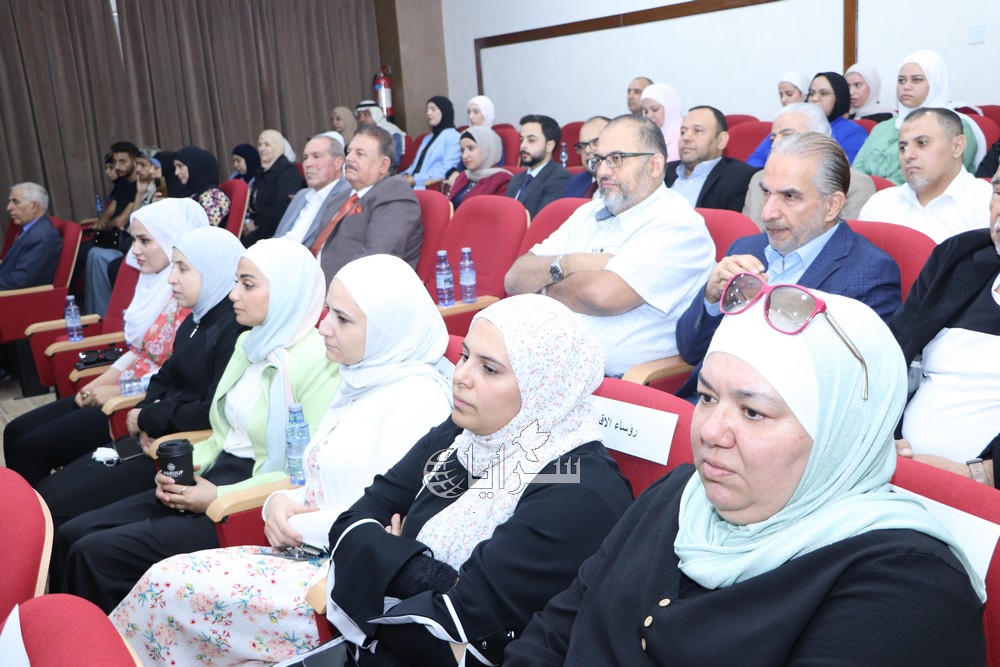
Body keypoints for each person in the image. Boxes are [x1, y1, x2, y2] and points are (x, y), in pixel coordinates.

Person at [504, 282, 986, 666]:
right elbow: (551, 634)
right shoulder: (680, 494)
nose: (710, 431)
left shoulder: (906, 586)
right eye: (707, 397)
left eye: (753, 412)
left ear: (838, 434)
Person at [111, 254, 454, 664]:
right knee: (163, 581)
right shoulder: (362, 378)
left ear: (386, 329)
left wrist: (290, 519)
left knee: (166, 588)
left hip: (339, 586)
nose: (323, 326)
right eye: (328, 311)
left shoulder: (416, 400)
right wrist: (276, 502)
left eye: (342, 319)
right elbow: (316, 476)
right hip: (307, 553)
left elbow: (384, 519)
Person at [324, 295, 633, 665]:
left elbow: (463, 620)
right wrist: (433, 576)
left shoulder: (577, 486)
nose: (461, 376)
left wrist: (390, 557)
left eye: (489, 369)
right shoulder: (463, 435)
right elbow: (350, 524)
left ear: (544, 385)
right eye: (464, 356)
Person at [51, 238, 341, 613]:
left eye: (248, 285)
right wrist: (178, 471)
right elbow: (223, 434)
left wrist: (217, 495)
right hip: (211, 474)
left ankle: (104, 639)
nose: (234, 294)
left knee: (95, 553)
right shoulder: (251, 343)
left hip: (250, 498)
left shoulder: (319, 361)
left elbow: (304, 472)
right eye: (236, 282)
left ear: (287, 292)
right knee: (73, 533)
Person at [36, 226, 247, 530]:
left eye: (182, 268)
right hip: (152, 437)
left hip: (179, 451)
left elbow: (209, 409)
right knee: (48, 491)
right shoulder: (195, 321)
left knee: (60, 512)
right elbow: (164, 377)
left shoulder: (234, 332)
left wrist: (148, 418)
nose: (171, 278)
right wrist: (144, 415)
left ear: (213, 270)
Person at [676, 132, 901, 399]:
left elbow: (856, 387)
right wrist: (711, 299)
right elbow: (690, 350)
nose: (767, 213)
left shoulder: (869, 273)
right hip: (705, 400)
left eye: (790, 196)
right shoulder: (746, 249)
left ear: (832, 206)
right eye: (766, 193)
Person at [4, 199, 209, 487]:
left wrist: (116, 390)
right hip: (121, 387)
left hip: (132, 403)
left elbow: (170, 376)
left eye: (144, 240)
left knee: (29, 449)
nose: (134, 250)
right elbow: (138, 351)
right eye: (133, 240)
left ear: (171, 240)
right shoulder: (152, 284)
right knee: (14, 431)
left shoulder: (188, 296)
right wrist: (98, 382)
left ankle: (33, 513)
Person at [505, 114, 715, 378]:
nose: (602, 171)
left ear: (654, 165)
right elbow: (514, 279)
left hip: (613, 383)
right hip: (542, 363)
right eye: (599, 160)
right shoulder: (588, 212)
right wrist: (570, 263)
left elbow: (601, 296)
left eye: (616, 159)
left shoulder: (678, 224)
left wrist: (541, 287)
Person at [891, 165, 1000, 479]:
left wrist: (978, 474)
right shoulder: (958, 255)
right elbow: (889, 353)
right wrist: (885, 437)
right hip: (897, 467)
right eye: (999, 192)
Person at [858, 107, 992, 244]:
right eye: (902, 147)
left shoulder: (988, 203)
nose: (908, 155)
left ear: (957, 146)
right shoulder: (880, 203)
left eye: (922, 143)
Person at [853, 49, 982, 185]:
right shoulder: (883, 127)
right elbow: (856, 171)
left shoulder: (955, 126)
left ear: (935, 83)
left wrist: (869, 188)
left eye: (916, 80)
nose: (906, 86)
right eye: (901, 80)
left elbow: (928, 180)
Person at [316, 125, 422, 284]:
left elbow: (376, 259)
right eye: (349, 151)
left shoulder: (394, 192)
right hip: (314, 283)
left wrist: (331, 291)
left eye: (360, 154)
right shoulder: (340, 198)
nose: (349, 158)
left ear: (383, 165)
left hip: (349, 290)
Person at [742, 103, 876, 228]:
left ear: (820, 138)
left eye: (788, 136)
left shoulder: (856, 184)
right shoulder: (759, 179)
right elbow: (748, 234)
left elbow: (844, 239)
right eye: (772, 138)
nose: (776, 144)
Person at [748, 72, 868, 167]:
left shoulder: (852, 132)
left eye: (823, 93)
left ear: (840, 97)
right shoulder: (791, 124)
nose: (815, 98)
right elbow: (756, 159)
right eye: (811, 93)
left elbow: (842, 171)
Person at [663, 106, 756, 211]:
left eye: (697, 130)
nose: (686, 138)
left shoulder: (739, 178)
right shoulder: (663, 172)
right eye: (683, 132)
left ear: (721, 140)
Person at [274, 135, 352, 248]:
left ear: (338, 162)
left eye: (316, 156)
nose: (308, 164)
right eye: (305, 158)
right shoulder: (301, 195)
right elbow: (279, 235)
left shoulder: (348, 195)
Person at [244, 129, 306, 245]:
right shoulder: (262, 171)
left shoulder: (289, 173)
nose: (262, 148)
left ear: (277, 147)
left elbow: (282, 209)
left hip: (279, 232)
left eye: (267, 145)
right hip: (262, 229)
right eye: (260, 145)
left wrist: (256, 224)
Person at [505, 114, 571, 217]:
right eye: (522, 139)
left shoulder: (559, 177)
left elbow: (544, 220)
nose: (523, 146)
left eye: (531, 140)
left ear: (549, 146)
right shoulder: (515, 179)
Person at [0, 182, 60, 290]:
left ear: (34, 206)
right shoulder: (31, 229)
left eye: (15, 202)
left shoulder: (42, 236)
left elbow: (19, 281)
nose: (8, 207)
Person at [401, 96, 461, 190]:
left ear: (444, 111)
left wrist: (415, 179)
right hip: (412, 186)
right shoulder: (427, 138)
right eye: (427, 110)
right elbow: (415, 166)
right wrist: (404, 175)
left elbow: (447, 170)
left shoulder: (454, 137)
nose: (428, 113)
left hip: (430, 188)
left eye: (433, 109)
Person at [444, 126, 512, 208]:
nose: (465, 156)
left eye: (471, 148)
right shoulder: (463, 176)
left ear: (486, 148)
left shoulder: (502, 180)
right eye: (462, 150)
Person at [174, 145, 231, 228]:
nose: (176, 172)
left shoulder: (214, 197)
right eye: (176, 167)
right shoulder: (191, 192)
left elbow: (201, 231)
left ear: (195, 166)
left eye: (180, 166)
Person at [564, 116, 610, 198]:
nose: (587, 150)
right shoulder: (574, 183)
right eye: (582, 145)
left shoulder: (627, 182)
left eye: (596, 142)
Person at [355, 100, 406, 170]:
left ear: (376, 115)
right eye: (359, 116)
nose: (361, 119)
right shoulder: (362, 135)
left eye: (366, 115)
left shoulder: (392, 132)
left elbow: (393, 162)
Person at [640, 82, 683, 161]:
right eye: (645, 111)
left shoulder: (683, 134)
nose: (649, 116)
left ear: (669, 108)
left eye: (655, 109)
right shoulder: (644, 135)